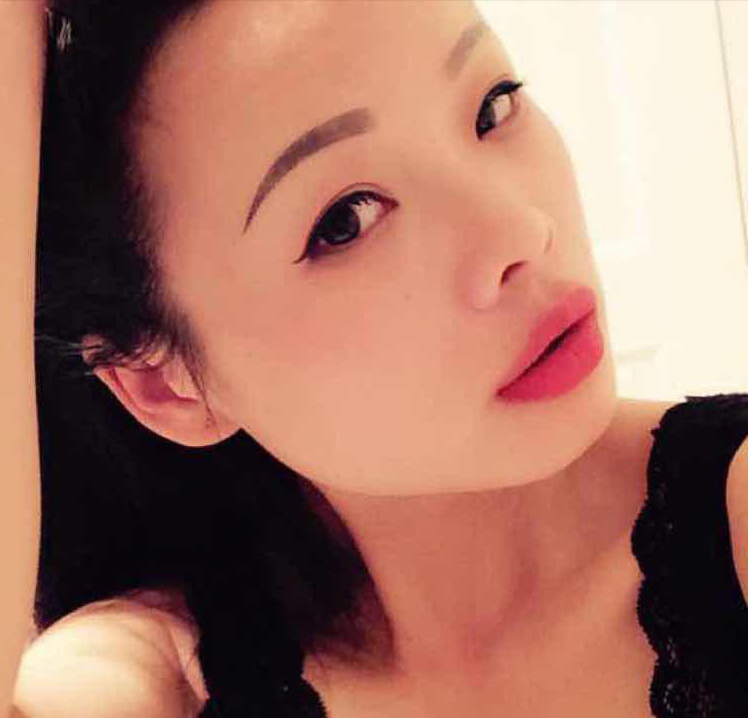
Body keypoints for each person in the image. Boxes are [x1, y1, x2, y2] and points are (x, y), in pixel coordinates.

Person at [5, 1, 748, 716]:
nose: (520, 230)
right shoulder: (154, 673)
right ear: (165, 385)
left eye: (491, 107)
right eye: (347, 219)